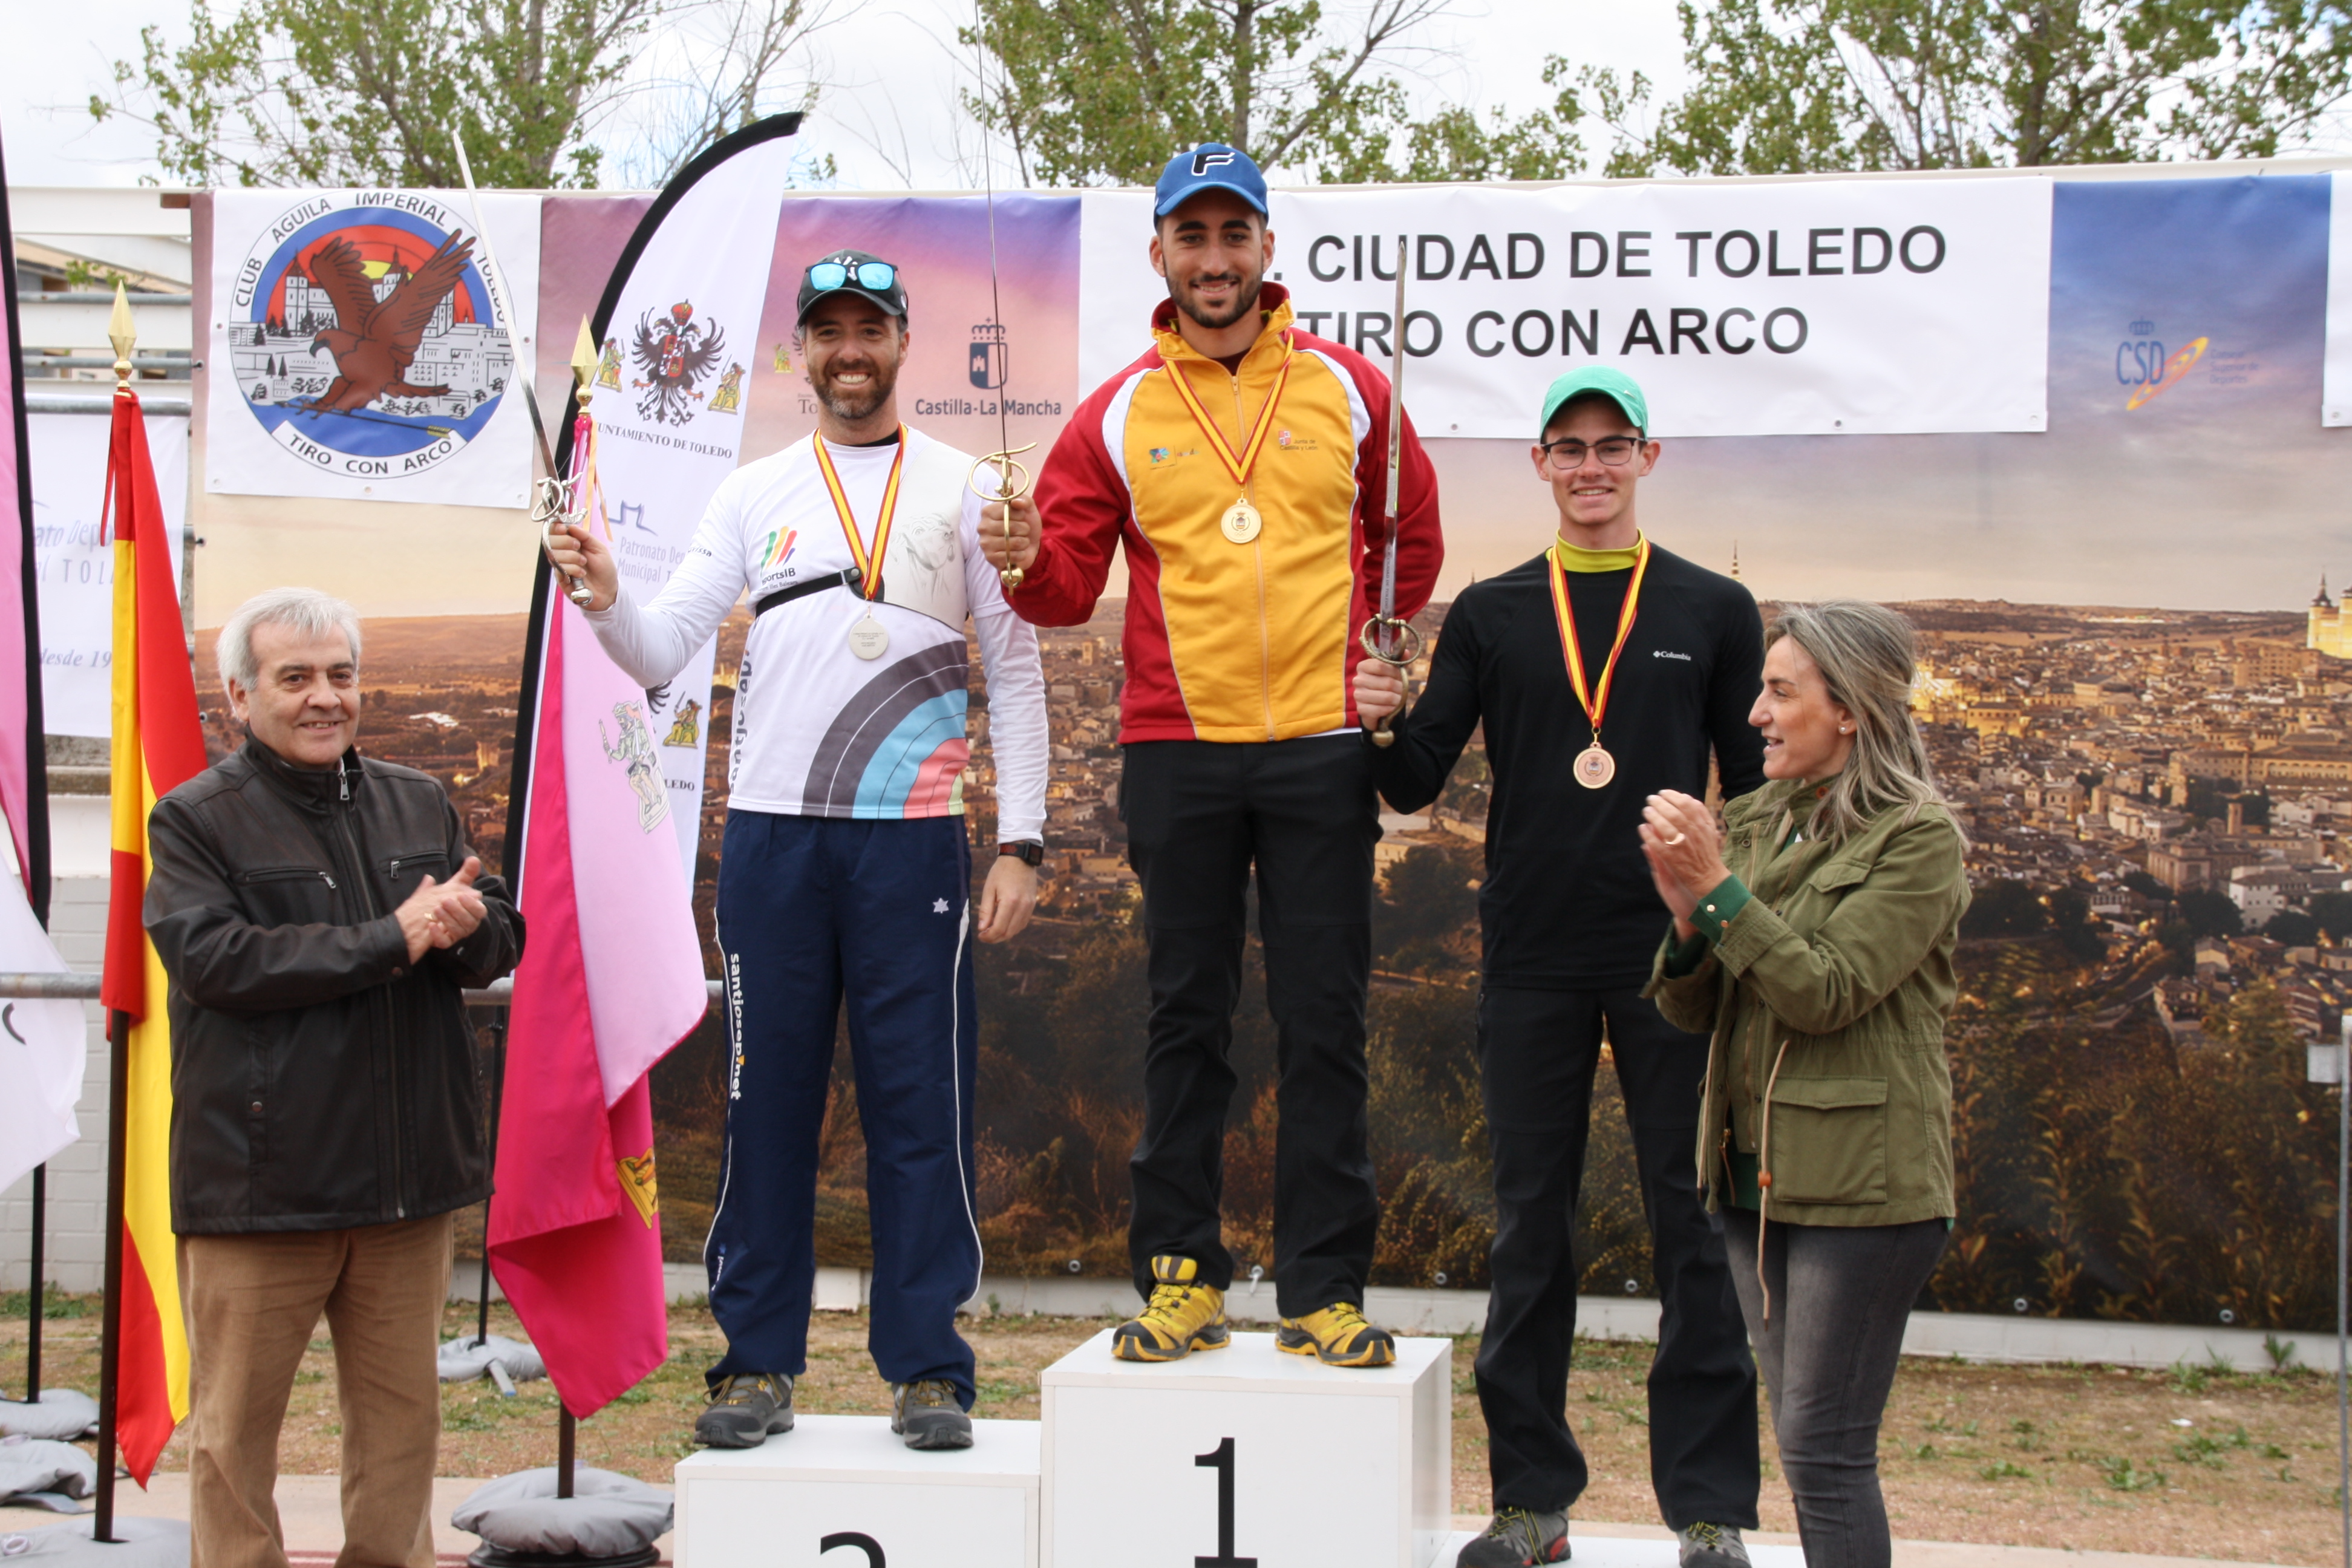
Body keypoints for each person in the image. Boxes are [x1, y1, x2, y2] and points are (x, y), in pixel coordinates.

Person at [546, 248, 1048, 1451]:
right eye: (828, 333)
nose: (849, 352)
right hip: (773, 841)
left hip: (912, 842)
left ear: (902, 343)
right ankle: (756, 1363)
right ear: (800, 353)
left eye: (869, 330)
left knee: (919, 1110)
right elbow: (660, 647)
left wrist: (1023, 840)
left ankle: (929, 1368)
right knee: (763, 1105)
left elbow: (1019, 673)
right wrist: (606, 594)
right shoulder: (752, 491)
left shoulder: (966, 488)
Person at [978, 142, 1442, 1367]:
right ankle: (1181, 1276)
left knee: (1324, 1021)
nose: (1216, 258)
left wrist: (1376, 642)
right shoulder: (1116, 411)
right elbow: (1065, 588)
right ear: (1162, 255)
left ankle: (1323, 1288)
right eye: (1194, 236)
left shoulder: (1350, 388)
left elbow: (1411, 534)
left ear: (1267, 248)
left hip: (1321, 748)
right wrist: (1021, 558)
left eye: (1236, 234)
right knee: (1186, 1017)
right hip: (1177, 751)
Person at [1354, 368, 1763, 1568]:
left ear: (1647, 457)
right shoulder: (1492, 612)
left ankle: (1709, 1513)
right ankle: (1532, 1502)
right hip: (1531, 951)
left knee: (1695, 1226)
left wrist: (1740, 917)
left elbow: (1761, 785)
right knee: (1531, 1227)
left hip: (1676, 953)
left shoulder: (1714, 606)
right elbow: (1414, 779)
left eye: (1611, 444)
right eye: (1569, 447)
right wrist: (1377, 716)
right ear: (1540, 464)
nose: (1591, 466)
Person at [146, 587, 524, 1568]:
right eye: (296, 678)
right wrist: (391, 937)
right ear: (240, 696)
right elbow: (215, 962)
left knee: (402, 1437)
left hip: (407, 1188)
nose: (326, 697)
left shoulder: (418, 799)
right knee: (233, 1442)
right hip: (262, 1186)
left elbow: (496, 942)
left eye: (342, 675)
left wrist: (473, 926)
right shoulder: (194, 820)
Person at [1640, 599, 1970, 1568]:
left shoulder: (1919, 840)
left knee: (1825, 1451)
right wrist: (1690, 920)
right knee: (1805, 1442)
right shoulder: (1757, 819)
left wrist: (1719, 892)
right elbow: (1694, 1011)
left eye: (1781, 693)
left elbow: (1826, 993)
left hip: (1863, 1189)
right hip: (1756, 1175)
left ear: (1853, 710)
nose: (1756, 715)